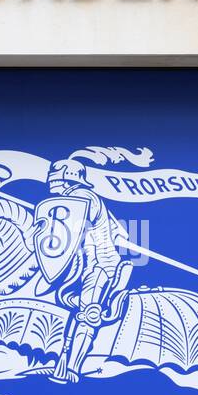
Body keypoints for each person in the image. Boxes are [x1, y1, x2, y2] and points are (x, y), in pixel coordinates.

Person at [42, 158, 132, 383]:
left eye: (55, 177)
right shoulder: (75, 199)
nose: (50, 182)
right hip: (81, 265)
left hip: (100, 265)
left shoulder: (83, 197)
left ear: (67, 176)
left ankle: (71, 368)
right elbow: (122, 232)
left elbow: (69, 230)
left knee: (88, 314)